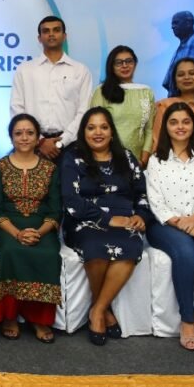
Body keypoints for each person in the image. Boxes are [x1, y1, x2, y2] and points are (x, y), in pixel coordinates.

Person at [61, 107, 150, 345]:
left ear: (112, 132)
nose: (98, 132)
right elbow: (71, 200)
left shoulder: (127, 158)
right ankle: (104, 310)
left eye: (103, 127)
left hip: (125, 221)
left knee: (130, 246)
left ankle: (98, 309)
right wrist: (107, 219)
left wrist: (141, 215)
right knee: (95, 247)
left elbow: (142, 193)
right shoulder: (73, 158)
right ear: (83, 132)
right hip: (84, 221)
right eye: (91, 128)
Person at [145, 101, 194, 351]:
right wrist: (184, 225)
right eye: (174, 122)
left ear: (193, 125)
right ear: (166, 127)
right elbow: (156, 202)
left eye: (185, 121)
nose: (180, 127)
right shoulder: (156, 161)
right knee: (187, 253)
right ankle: (187, 319)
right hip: (165, 225)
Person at [0, 114, 62, 344]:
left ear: (38, 138)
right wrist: (17, 233)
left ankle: (39, 319)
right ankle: (9, 317)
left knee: (48, 253)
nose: (24, 138)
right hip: (8, 226)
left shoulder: (50, 169)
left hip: (42, 226)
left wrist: (40, 232)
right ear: (11, 137)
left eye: (30, 133)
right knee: (8, 250)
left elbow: (55, 210)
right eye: (18, 133)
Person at [10, 16, 93, 161]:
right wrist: (40, 141)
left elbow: (84, 111)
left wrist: (62, 142)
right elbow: (17, 108)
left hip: (71, 146)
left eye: (56, 30)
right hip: (33, 146)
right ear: (39, 38)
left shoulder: (80, 70)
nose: (51, 34)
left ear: (64, 36)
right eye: (46, 31)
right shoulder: (25, 70)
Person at [90, 45, 155, 166]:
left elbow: (149, 130)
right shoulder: (101, 91)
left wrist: (143, 161)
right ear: (111, 66)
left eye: (129, 61)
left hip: (138, 162)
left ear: (135, 64)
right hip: (107, 161)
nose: (125, 65)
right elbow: (94, 129)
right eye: (119, 63)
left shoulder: (146, 91)